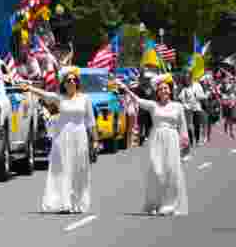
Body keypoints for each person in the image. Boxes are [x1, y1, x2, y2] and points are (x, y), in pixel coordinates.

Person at [20, 66, 97, 214]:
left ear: (78, 83)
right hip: (63, 138)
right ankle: (64, 202)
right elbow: (44, 94)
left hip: (80, 137)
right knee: (63, 169)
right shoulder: (59, 98)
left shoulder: (85, 99)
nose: (72, 82)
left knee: (78, 170)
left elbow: (91, 122)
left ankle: (77, 203)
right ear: (64, 83)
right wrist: (29, 88)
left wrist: (95, 140)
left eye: (74, 80)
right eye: (68, 80)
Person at [116, 73, 189, 216]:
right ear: (157, 92)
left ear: (170, 90)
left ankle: (169, 205)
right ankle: (154, 203)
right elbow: (137, 100)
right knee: (156, 171)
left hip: (172, 139)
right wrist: (125, 88)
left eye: (166, 88)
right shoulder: (153, 105)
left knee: (171, 172)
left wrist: (185, 144)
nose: (164, 91)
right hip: (156, 139)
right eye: (161, 89)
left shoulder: (177, 106)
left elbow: (183, 126)